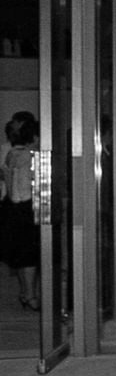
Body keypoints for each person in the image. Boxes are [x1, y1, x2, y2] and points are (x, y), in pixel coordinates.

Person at [2, 114, 40, 311]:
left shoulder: (11, 154)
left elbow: (9, 185)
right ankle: (31, 295)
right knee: (30, 255)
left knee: (19, 255)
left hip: (13, 206)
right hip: (27, 206)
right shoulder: (30, 156)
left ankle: (25, 292)